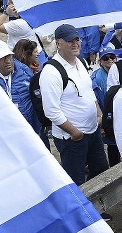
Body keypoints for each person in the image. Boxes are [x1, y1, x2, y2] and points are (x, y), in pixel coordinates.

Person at [40, 24, 109, 186]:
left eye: (77, 39)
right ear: (58, 44)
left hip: (92, 131)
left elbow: (89, 92)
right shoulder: (51, 72)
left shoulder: (81, 62)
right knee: (76, 180)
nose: (75, 44)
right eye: (70, 41)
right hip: (72, 138)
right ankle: (80, 210)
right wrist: (75, 132)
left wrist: (98, 114)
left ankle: (94, 207)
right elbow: (51, 111)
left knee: (102, 171)